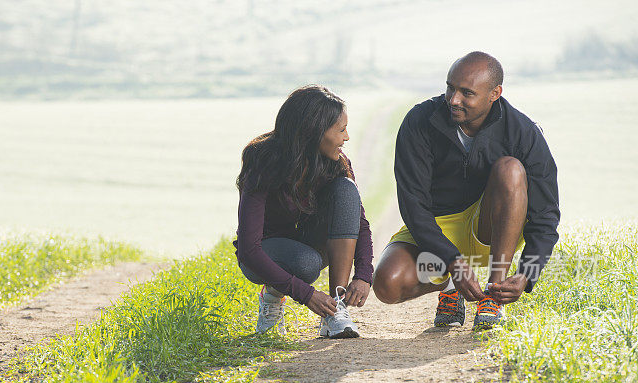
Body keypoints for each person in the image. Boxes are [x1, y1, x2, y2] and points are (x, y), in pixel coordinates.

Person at [372, 51, 559, 330]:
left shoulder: (523, 132)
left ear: (495, 93)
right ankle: (448, 286)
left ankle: (493, 294)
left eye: (466, 93)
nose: (453, 99)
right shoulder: (419, 121)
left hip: (491, 228)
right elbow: (413, 204)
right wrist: (452, 262)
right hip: (436, 229)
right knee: (387, 284)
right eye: (450, 87)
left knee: (510, 169)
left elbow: (545, 217)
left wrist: (527, 275)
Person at [234, 85, 374, 338]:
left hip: (309, 246)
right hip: (265, 254)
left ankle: (336, 308)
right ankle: (271, 299)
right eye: (341, 130)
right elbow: (248, 250)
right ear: (315, 132)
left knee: (346, 189)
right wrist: (306, 294)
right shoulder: (261, 160)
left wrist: (364, 275)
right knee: (305, 264)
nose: (347, 137)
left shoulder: (336, 162)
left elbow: (358, 221)